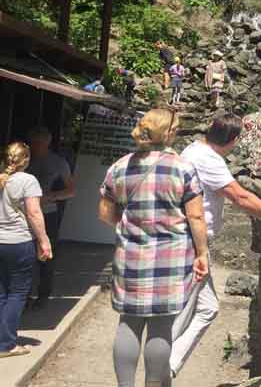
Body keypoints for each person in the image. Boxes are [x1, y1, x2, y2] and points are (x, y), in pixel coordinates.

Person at [170, 115, 261, 378]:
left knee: (207, 308)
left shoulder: (193, 149)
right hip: (192, 244)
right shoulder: (208, 159)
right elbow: (240, 196)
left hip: (190, 241)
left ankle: (167, 366)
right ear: (233, 140)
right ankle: (159, 370)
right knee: (182, 314)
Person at [98, 108, 209, 387]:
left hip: (130, 257)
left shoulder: (120, 166)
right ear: (169, 133)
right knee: (161, 327)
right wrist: (202, 253)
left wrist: (131, 230)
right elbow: (195, 216)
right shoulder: (183, 168)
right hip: (170, 259)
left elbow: (105, 214)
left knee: (128, 323)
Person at [0, 143, 52, 358]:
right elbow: (34, 213)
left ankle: (3, 339)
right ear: (27, 159)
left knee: (1, 293)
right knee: (18, 293)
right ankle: (6, 344)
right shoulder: (28, 181)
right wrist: (44, 240)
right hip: (19, 242)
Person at [26, 126, 74, 308]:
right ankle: (24, 295)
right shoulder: (25, 159)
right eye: (34, 143)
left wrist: (51, 197)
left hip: (47, 213)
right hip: (23, 215)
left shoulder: (58, 162)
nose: (36, 147)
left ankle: (43, 295)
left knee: (46, 255)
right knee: (26, 255)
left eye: (40, 143)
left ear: (47, 142)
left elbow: (71, 190)